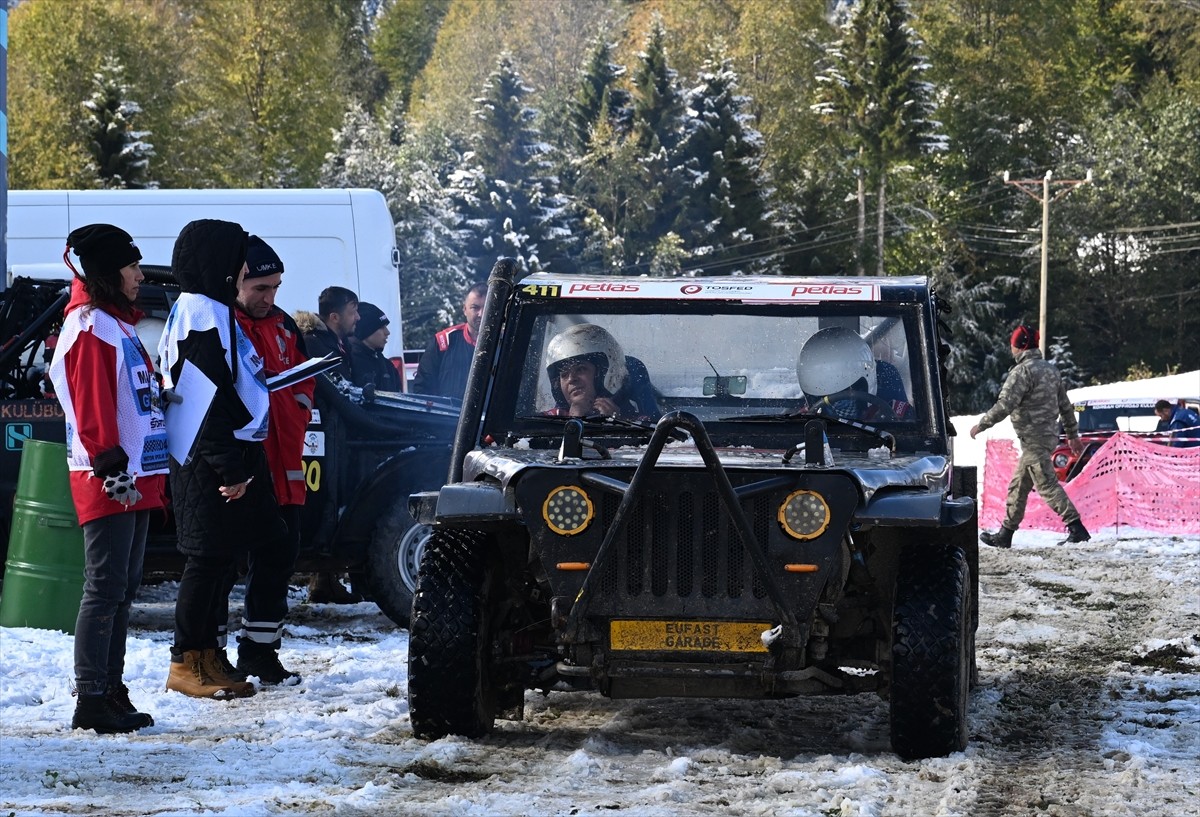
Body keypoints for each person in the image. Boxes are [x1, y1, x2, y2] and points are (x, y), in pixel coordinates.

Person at [48, 224, 169, 733]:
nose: (140, 276)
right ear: (107, 274)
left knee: (123, 587)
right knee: (104, 587)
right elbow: (92, 400)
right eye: (132, 267)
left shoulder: (116, 323)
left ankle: (111, 688)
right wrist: (110, 462)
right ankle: (91, 697)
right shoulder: (92, 325)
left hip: (135, 472)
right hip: (112, 474)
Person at [159, 219, 287, 699]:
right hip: (209, 458)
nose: (240, 269)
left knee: (222, 560)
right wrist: (230, 468)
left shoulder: (210, 308)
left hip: (222, 452)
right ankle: (186, 661)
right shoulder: (201, 314)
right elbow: (203, 397)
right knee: (205, 562)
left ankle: (208, 656)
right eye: (235, 260)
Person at [226, 235, 314, 685]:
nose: (269, 298)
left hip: (285, 467)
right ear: (237, 281)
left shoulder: (282, 326)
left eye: (275, 287)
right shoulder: (222, 322)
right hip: (240, 468)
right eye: (260, 288)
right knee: (220, 565)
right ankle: (205, 657)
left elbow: (304, 379)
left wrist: (298, 402)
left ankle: (261, 653)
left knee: (279, 561)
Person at [971, 324, 1090, 548]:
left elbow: (1006, 404)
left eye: (1013, 345)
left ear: (1021, 347)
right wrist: (1072, 435)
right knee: (1019, 486)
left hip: (1033, 440)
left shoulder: (1022, 372)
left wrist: (982, 424)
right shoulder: (1051, 370)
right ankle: (1005, 534)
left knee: (1047, 485)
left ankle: (1077, 528)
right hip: (1045, 438)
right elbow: (1065, 406)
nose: (1011, 349)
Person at [300, 286, 362, 605]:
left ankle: (325, 579)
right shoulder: (316, 344)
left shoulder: (333, 342)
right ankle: (320, 570)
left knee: (330, 498)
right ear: (335, 316)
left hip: (329, 434)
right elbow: (333, 391)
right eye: (353, 311)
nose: (358, 317)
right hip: (319, 434)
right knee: (322, 497)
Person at [796, 326, 912, 420]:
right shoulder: (800, 424)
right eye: (820, 397)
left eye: (845, 393)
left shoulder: (898, 416)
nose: (834, 406)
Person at [543, 324, 643, 419]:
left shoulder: (639, 425)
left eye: (580, 369)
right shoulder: (545, 423)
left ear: (605, 372)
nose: (571, 379)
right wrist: (573, 419)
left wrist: (615, 424)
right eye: (564, 375)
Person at [410, 281, 486, 398]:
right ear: (464, 309)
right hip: (448, 415)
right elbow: (422, 389)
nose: (481, 314)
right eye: (475, 308)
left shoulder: (506, 343)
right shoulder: (443, 341)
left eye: (487, 308)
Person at [348, 301, 402, 392]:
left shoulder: (387, 366)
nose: (387, 332)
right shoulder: (349, 363)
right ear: (365, 331)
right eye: (381, 327)